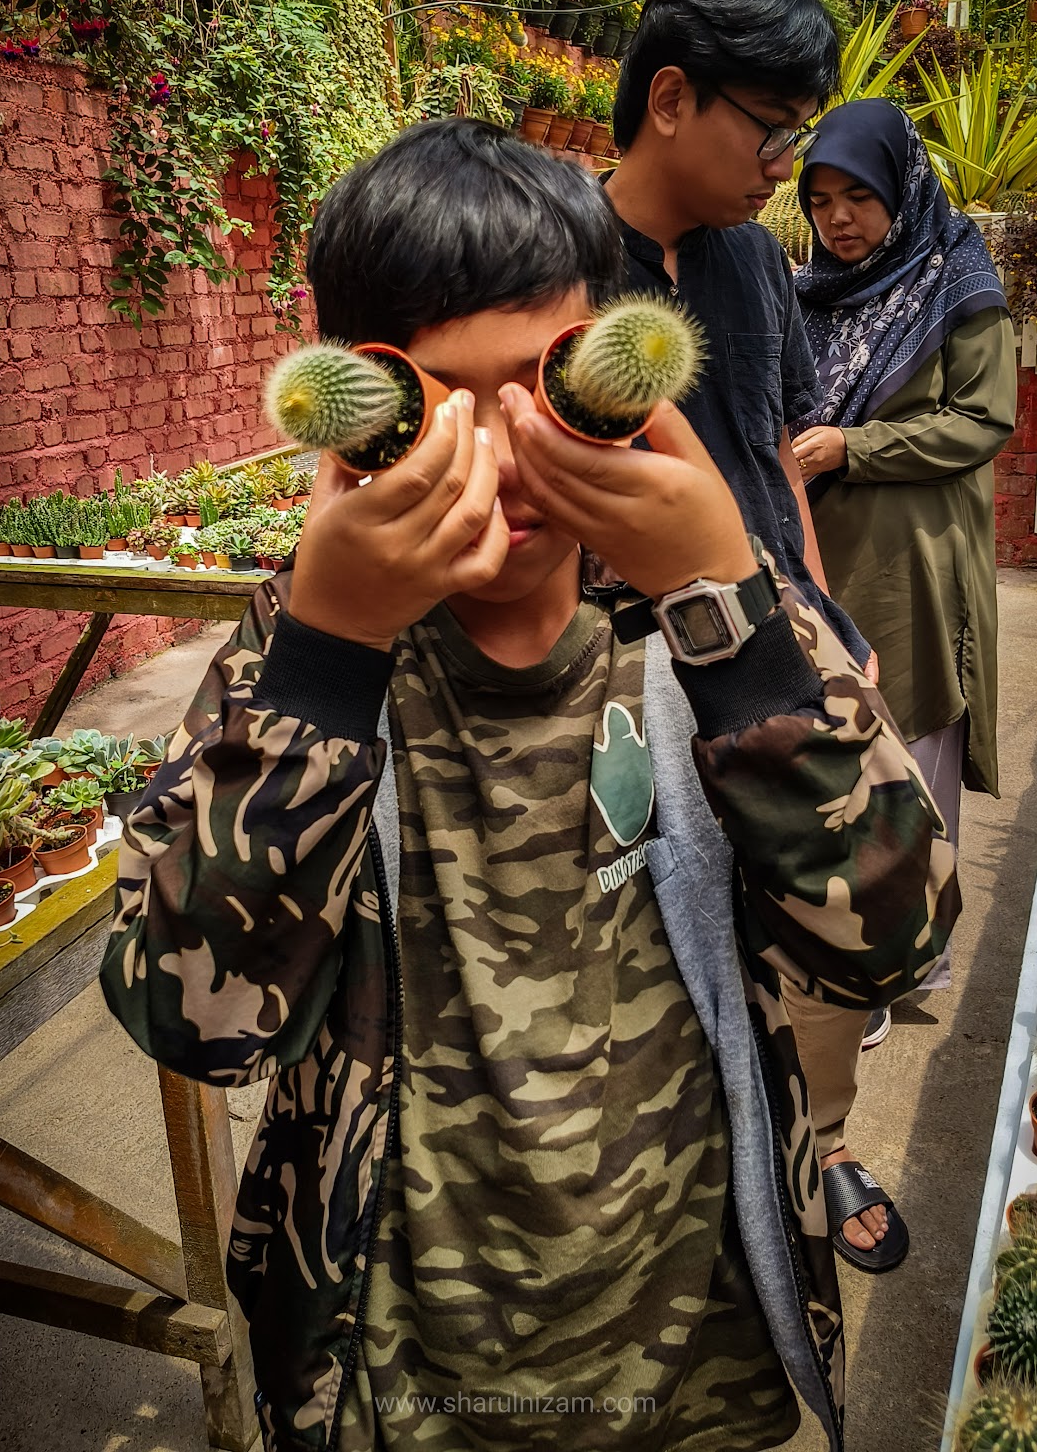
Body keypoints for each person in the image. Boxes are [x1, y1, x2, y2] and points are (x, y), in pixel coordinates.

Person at [100, 120, 958, 1452]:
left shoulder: (710, 626)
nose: (502, 449)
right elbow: (193, 1020)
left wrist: (722, 607)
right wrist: (329, 655)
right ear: (356, 403)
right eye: (441, 395)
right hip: (400, 1383)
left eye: (544, 381)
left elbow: (893, 939)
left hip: (697, 1377)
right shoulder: (300, 658)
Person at [786, 97, 1015, 1270]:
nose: (838, 223)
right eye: (820, 201)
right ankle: (847, 951)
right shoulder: (802, 290)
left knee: (909, 752)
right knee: (842, 750)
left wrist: (851, 447)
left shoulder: (958, 280)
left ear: (901, 190)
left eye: (857, 199)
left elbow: (984, 419)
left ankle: (890, 949)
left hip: (916, 559)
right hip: (830, 559)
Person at [603, 0, 871, 670]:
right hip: (639, 661)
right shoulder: (552, 264)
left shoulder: (757, 257)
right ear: (670, 100)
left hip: (781, 629)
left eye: (798, 134)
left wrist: (819, 610)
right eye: (772, 129)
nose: (785, 166)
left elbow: (777, 452)